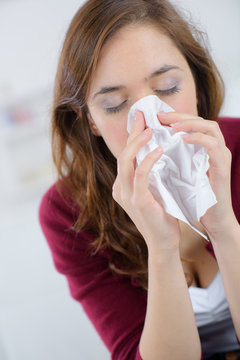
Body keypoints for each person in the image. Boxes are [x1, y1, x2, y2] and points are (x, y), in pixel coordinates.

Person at [38, 0, 240, 359]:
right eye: (116, 104)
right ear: (91, 121)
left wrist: (223, 225)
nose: (151, 119)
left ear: (196, 83)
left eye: (167, 86)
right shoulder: (67, 211)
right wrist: (161, 249)